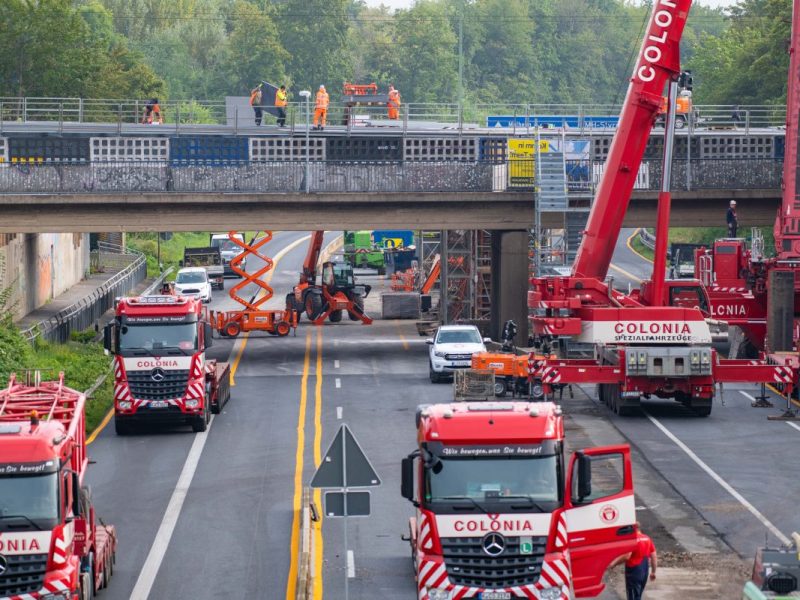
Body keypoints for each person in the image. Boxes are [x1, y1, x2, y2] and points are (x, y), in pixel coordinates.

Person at [610, 526, 657, 600]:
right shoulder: (647, 538)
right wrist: (653, 572)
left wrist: (613, 564)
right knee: (638, 595)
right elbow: (654, 556)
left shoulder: (633, 540)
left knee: (633, 596)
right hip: (644, 571)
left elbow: (627, 556)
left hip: (634, 572)